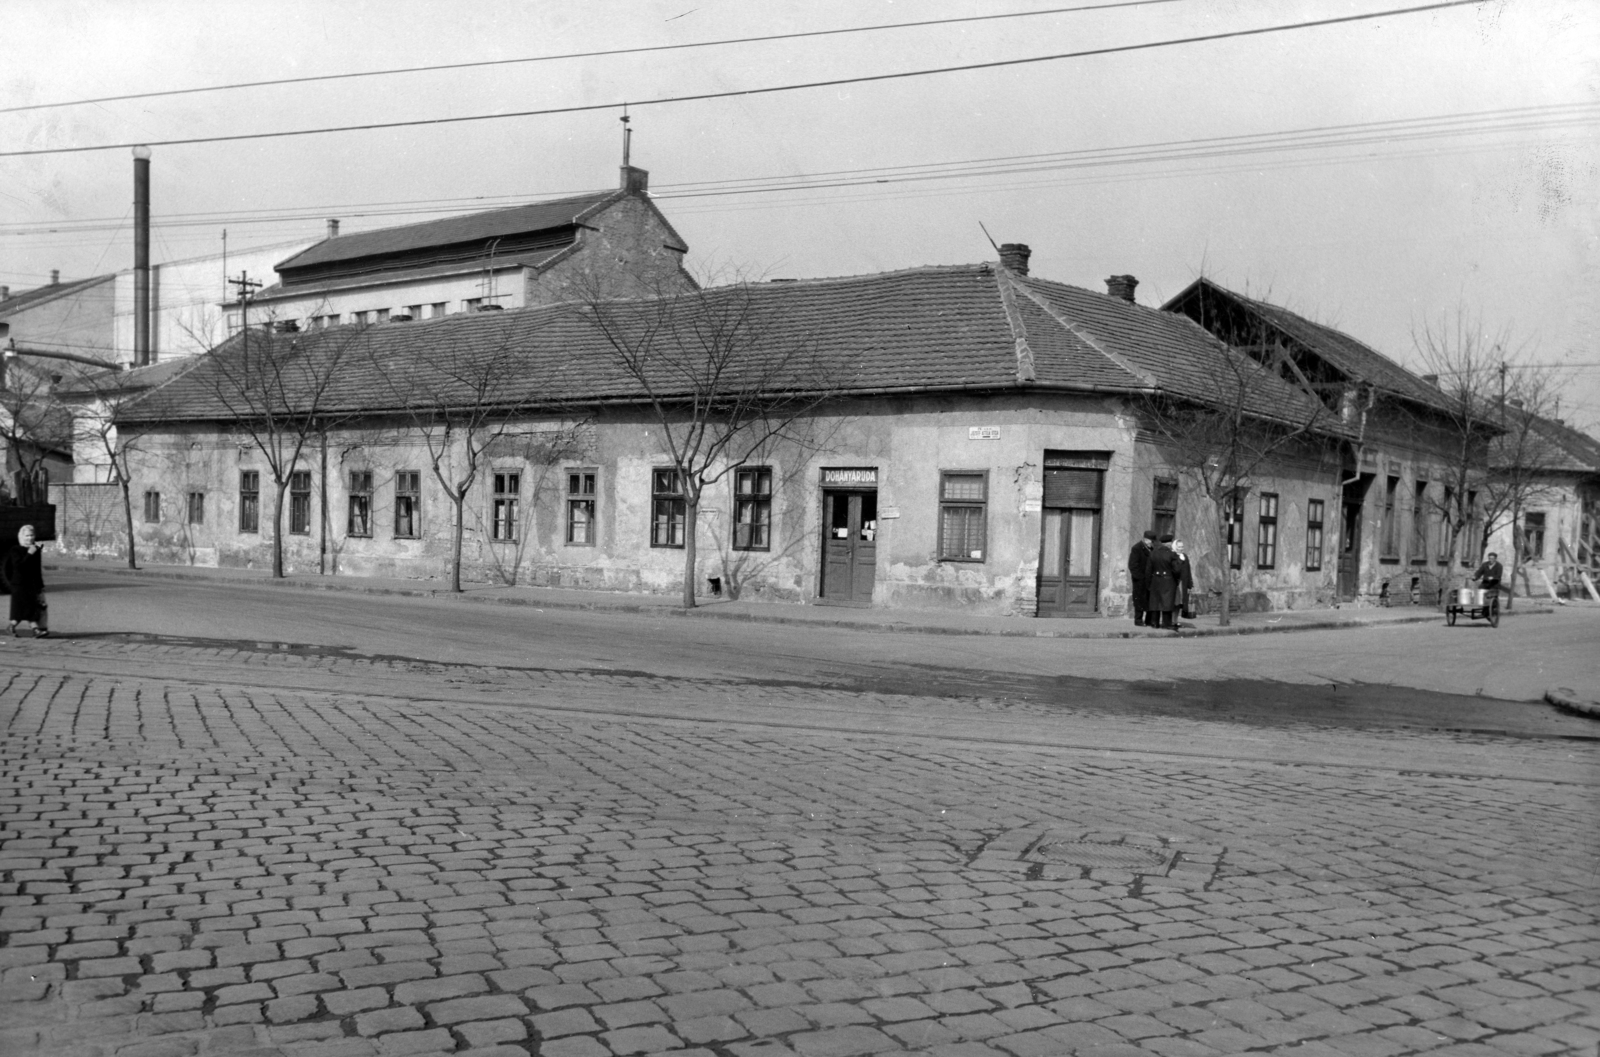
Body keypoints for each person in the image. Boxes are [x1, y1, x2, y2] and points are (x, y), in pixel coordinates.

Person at [1, 524, 49, 638]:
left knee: (30, 608)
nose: (30, 538)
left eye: (32, 535)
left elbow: (37, 569)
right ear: (22, 536)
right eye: (27, 536)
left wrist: (40, 585)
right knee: (22, 608)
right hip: (19, 584)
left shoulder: (36, 549)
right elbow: (18, 566)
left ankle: (29, 629)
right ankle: (32, 629)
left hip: (31, 584)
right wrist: (29, 554)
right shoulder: (15, 550)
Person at [1147, 534, 1181, 630]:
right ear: (1169, 543)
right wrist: (1176, 580)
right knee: (1167, 602)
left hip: (1155, 580)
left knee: (1155, 602)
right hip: (1168, 580)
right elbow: (1177, 570)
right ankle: (1166, 623)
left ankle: (1155, 623)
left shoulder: (1153, 553)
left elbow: (1148, 570)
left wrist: (1149, 583)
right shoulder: (1172, 554)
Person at [1127, 530, 1156, 625]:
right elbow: (1132, 565)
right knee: (1139, 600)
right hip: (1140, 580)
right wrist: (1140, 577)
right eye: (1151, 541)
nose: (1152, 543)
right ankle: (1138, 620)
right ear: (1146, 540)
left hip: (1150, 579)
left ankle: (1149, 620)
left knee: (1150, 600)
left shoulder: (1153, 549)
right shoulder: (1137, 548)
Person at [1171, 539, 1194, 626]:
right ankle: (1171, 620)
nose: (1181, 548)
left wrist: (1190, 584)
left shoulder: (1185, 557)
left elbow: (1188, 571)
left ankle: (1175, 620)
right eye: (1179, 547)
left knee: (1179, 603)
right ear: (1175, 547)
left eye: (1182, 546)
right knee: (1174, 602)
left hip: (1182, 584)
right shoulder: (1172, 556)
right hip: (1175, 583)